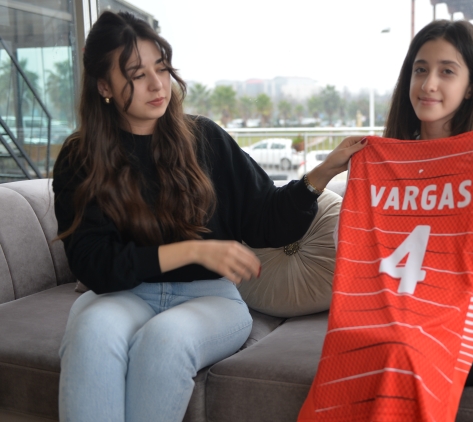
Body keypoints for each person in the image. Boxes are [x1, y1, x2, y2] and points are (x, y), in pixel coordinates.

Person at [53, 11, 363, 422]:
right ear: (104, 86)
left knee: (165, 339)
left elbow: (265, 220)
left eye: (161, 68)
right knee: (91, 330)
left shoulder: (204, 139)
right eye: (137, 74)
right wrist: (192, 250)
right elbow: (92, 263)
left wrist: (322, 173)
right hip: (122, 295)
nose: (157, 84)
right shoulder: (81, 157)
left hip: (210, 297)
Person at [382, 19, 473, 386]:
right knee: (378, 349)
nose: (428, 84)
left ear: (471, 87)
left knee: (410, 353)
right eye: (420, 70)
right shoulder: (389, 163)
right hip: (415, 315)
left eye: (447, 71)